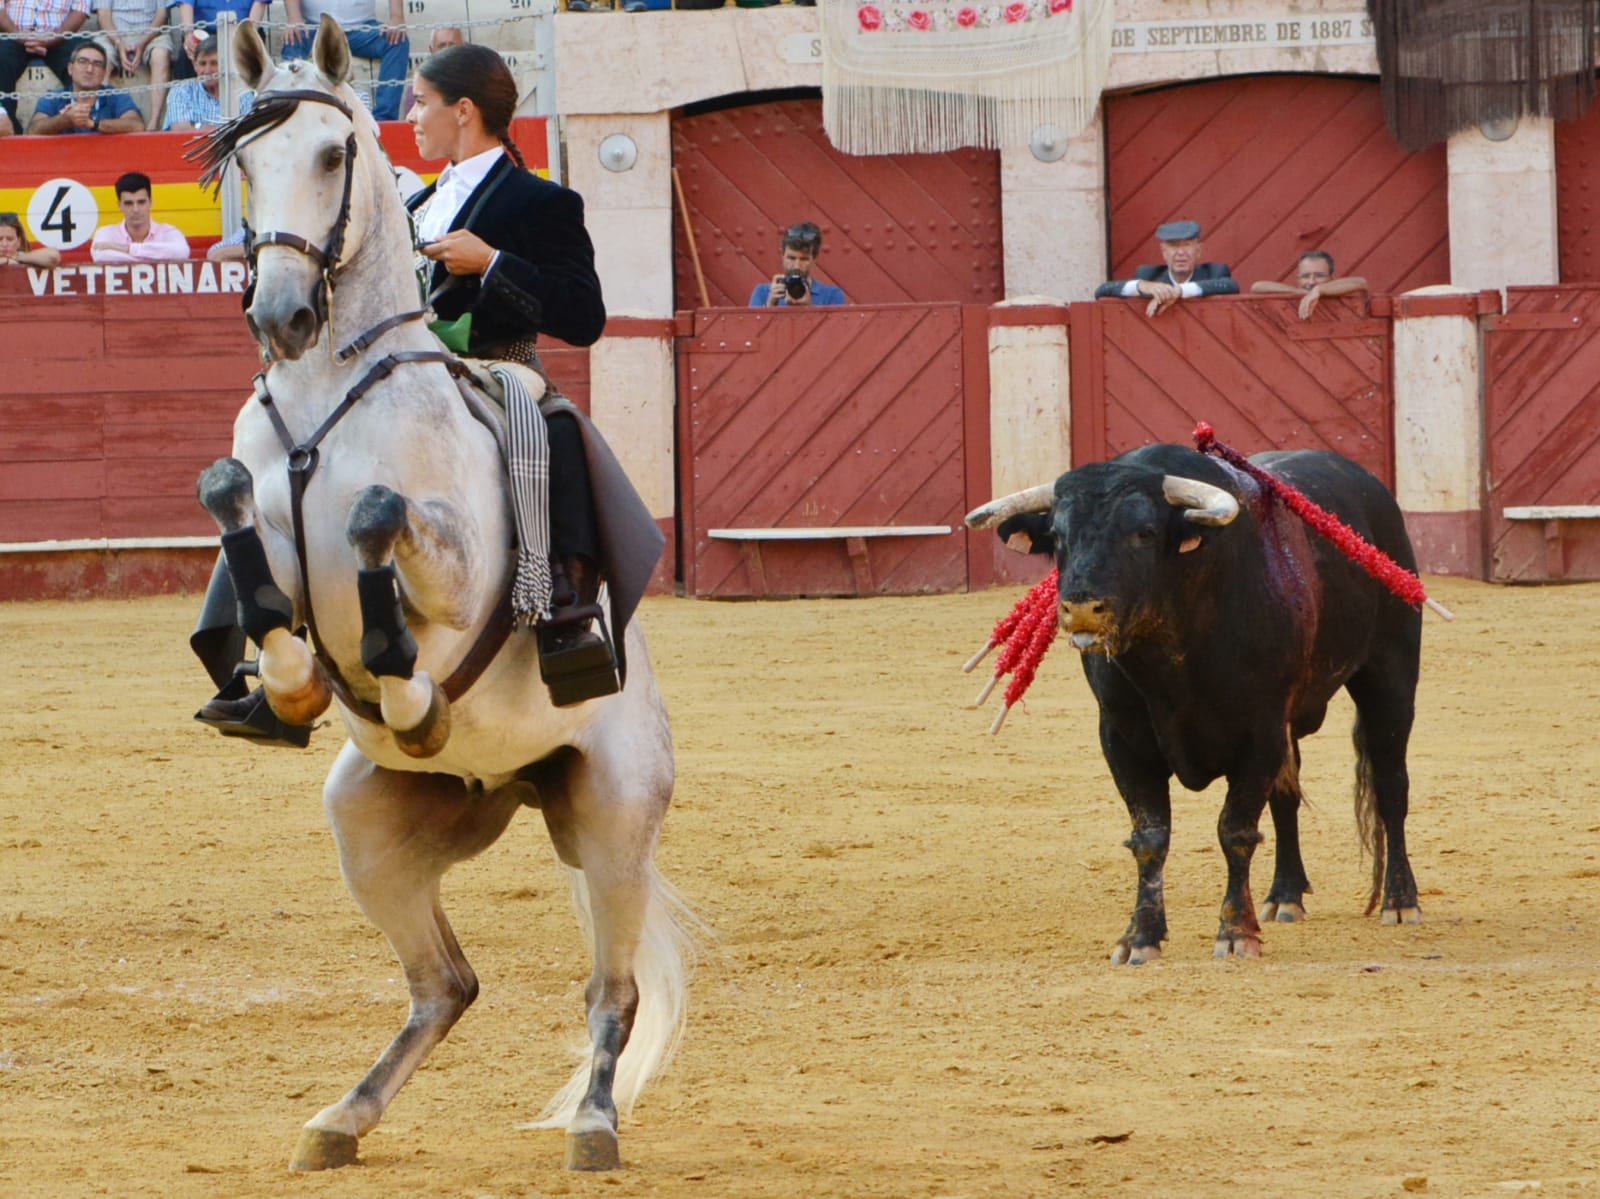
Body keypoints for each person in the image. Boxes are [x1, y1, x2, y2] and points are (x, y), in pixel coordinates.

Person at [192, 42, 657, 743]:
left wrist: (493, 262)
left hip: (494, 361)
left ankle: (564, 609)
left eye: (422, 103)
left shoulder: (542, 201)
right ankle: (256, 640)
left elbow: (583, 314)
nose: (411, 115)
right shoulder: (413, 197)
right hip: (394, 368)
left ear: (463, 113)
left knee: (550, 422)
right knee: (282, 439)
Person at [271, 0, 408, 119]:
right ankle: (289, 112)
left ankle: (384, 118)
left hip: (361, 29)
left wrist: (397, 17)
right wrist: (294, 17)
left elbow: (396, 24)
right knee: (294, 38)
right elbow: (295, 22)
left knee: (398, 41)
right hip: (314, 28)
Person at [1093, 219, 1238, 317]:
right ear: (1164, 252)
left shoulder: (1215, 272)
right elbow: (1102, 291)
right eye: (1174, 246)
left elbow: (1231, 286)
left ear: (1198, 251)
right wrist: (1142, 286)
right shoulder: (1148, 275)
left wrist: (1179, 291)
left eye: (1187, 245)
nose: (1181, 253)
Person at [0, 0, 91, 131]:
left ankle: (77, 127)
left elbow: (80, 10)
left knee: (82, 59)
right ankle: (7, 129)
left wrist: (54, 37)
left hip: (59, 37)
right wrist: (19, 35)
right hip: (13, 36)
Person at [27, 38, 145, 132]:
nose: (89, 69)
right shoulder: (53, 97)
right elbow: (33, 130)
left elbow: (137, 126)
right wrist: (64, 120)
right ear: (70, 69)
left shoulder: (116, 96)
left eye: (97, 64)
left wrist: (93, 123)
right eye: (83, 62)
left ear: (104, 73)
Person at [93, 0, 174, 127]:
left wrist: (143, 42)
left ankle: (154, 122)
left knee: (160, 55)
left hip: (151, 35)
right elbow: (103, 15)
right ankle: (100, 117)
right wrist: (118, 43)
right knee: (101, 57)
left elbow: (162, 15)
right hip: (112, 35)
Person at [91, 171, 190, 261]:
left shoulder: (167, 232)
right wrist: (150, 259)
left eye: (141, 202)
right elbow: (101, 255)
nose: (135, 209)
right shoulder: (106, 232)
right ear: (119, 205)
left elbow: (181, 252)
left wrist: (127, 248)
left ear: (150, 202)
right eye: (128, 203)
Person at [1250, 249, 1369, 320]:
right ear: (1298, 279)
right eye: (1306, 276)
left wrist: (1319, 290)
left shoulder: (1337, 287)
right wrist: (1301, 293)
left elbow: (1360, 282)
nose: (1311, 282)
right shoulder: (1297, 291)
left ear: (1332, 278)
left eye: (1319, 275)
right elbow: (1257, 286)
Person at [748, 221, 846, 308]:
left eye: (804, 259)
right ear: (782, 255)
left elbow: (836, 329)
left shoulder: (832, 296)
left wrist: (808, 308)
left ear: (814, 258)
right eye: (791, 258)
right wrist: (770, 306)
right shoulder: (762, 293)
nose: (796, 265)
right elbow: (751, 328)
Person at [160, 32, 242, 128]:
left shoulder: (242, 93)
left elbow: (249, 131)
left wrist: (199, 127)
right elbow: (181, 132)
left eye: (214, 63)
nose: (207, 70)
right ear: (195, 66)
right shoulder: (181, 91)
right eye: (202, 64)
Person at [171, 0, 256, 80]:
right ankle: (186, 93)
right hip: (204, 31)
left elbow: (259, 4)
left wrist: (247, 37)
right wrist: (188, 33)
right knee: (188, 53)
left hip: (243, 30)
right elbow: (186, 3)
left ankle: (249, 94)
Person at [397, 22, 463, 118]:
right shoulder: (417, 86)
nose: (447, 51)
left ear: (464, 47)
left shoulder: (477, 80)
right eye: (442, 46)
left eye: (452, 45)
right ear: (431, 50)